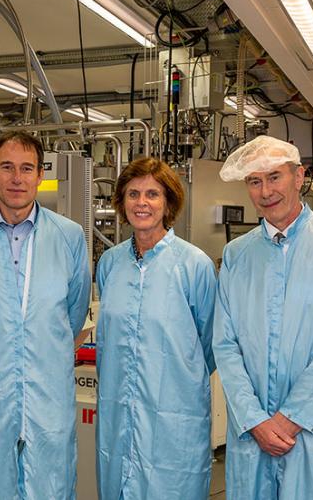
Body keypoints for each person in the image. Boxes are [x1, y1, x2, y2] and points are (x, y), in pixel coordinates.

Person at [214, 135, 313, 499]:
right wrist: (254, 418)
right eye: (254, 181)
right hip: (254, 429)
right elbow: (225, 344)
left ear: (299, 176)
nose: (266, 191)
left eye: (275, 177)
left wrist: (291, 418)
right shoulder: (238, 254)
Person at [0, 131, 91, 500]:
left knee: (51, 482)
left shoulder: (69, 236)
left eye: (26, 168)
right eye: (7, 167)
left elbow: (73, 313)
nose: (17, 178)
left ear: (40, 174)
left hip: (49, 389)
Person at [95, 157, 217, 499]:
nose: (142, 203)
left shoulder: (195, 266)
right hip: (118, 409)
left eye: (152, 194)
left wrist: (173, 381)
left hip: (174, 414)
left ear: (168, 202)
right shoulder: (109, 264)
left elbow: (208, 346)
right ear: (121, 202)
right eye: (133, 194)